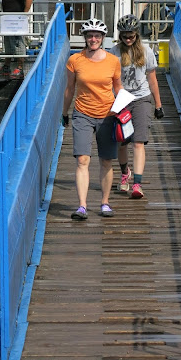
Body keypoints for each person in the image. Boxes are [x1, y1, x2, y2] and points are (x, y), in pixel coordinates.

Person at [62, 18, 122, 220]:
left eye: (97, 36)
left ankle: (105, 203)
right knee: (82, 159)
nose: (93, 39)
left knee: (106, 160)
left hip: (108, 115)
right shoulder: (75, 60)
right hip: (82, 113)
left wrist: (123, 108)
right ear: (85, 38)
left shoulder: (113, 61)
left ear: (103, 38)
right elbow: (70, 88)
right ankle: (82, 206)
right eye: (90, 36)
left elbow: (118, 87)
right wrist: (64, 112)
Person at [110, 14, 164, 199]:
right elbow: (108, 80)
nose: (128, 39)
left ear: (136, 34)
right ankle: (125, 173)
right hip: (121, 100)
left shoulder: (146, 51)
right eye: (125, 36)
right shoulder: (114, 52)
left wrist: (158, 105)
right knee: (122, 142)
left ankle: (137, 184)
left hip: (142, 99)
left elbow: (152, 79)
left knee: (139, 142)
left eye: (131, 35)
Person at [0, 0, 33, 79]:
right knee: (8, 43)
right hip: (8, 19)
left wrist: (24, 14)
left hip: (16, 19)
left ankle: (20, 67)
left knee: (18, 43)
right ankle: (7, 66)